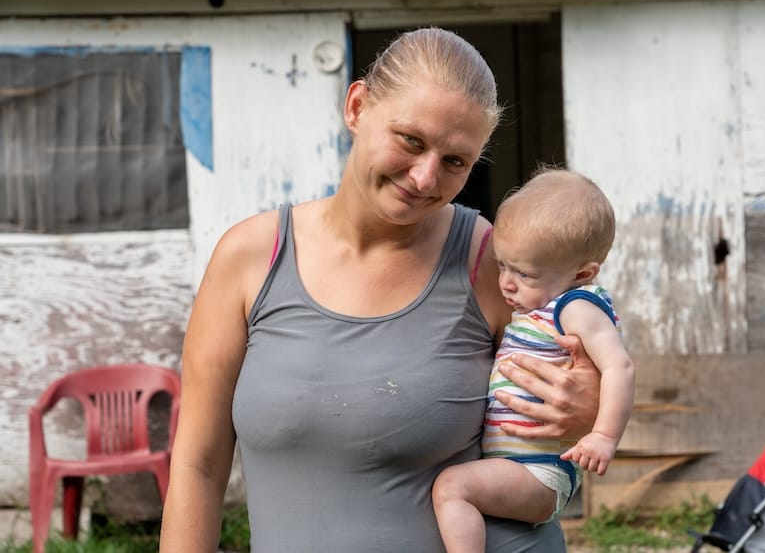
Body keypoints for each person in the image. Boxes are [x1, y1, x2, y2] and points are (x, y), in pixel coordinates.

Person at [159, 27, 603, 553]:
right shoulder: (251, 258)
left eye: (455, 161)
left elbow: (586, 383)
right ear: (357, 106)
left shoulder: (489, 261)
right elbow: (199, 464)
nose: (424, 177)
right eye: (411, 141)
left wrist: (588, 406)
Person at [432, 169, 635, 553]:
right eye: (502, 265)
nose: (506, 282)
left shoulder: (575, 306)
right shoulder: (537, 306)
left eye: (524, 273)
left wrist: (604, 436)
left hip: (539, 471)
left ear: (581, 273)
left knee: (452, 487)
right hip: (519, 464)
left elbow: (619, 366)